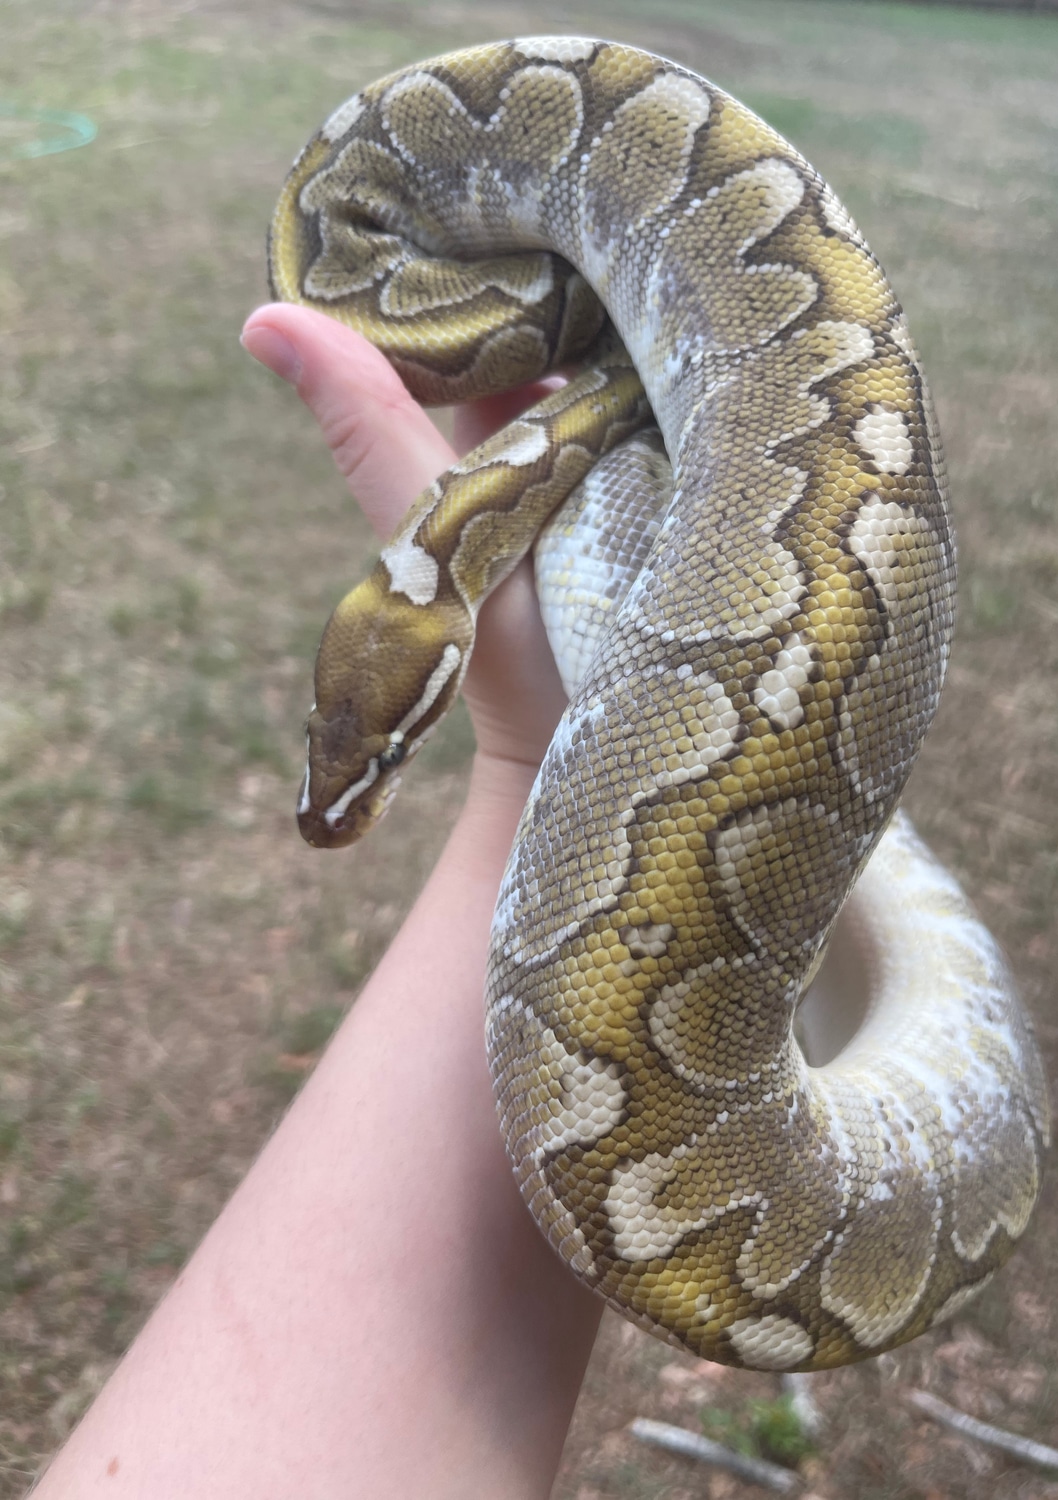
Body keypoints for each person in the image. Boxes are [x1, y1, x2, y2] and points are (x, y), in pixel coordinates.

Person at [34, 303, 603, 1499]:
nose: (335, 803)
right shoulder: (423, 617)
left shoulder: (437, 605)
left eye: (383, 759)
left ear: (450, 667)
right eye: (335, 749)